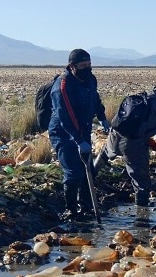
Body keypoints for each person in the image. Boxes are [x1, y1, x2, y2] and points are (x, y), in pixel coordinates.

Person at [48, 48, 110, 220]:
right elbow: (65, 115)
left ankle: (87, 207)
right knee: (73, 172)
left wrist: (103, 118)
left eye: (90, 65)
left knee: (88, 169)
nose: (88, 69)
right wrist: (77, 140)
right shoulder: (63, 86)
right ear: (72, 66)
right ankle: (71, 209)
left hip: (82, 129)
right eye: (84, 66)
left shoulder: (90, 80)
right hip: (62, 132)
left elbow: (95, 99)